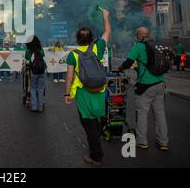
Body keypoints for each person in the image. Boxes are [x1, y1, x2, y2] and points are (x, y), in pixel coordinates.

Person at [64, 10, 111, 167]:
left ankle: (96, 156)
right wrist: (105, 16)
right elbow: (107, 31)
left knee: (88, 124)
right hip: (100, 90)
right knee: (98, 117)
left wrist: (67, 94)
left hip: (83, 92)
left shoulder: (73, 54)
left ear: (77, 39)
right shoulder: (98, 47)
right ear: (91, 38)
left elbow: (69, 77)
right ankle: (98, 133)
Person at [118, 27, 168, 151]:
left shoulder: (138, 46)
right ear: (148, 35)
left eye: (137, 35)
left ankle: (142, 141)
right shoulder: (157, 45)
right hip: (160, 83)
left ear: (139, 36)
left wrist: (119, 68)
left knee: (142, 113)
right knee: (160, 114)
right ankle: (163, 142)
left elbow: (128, 63)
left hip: (145, 85)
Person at [25, 36, 46, 112]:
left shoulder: (28, 50)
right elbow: (43, 56)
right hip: (42, 71)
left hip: (33, 71)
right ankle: (40, 107)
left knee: (33, 88)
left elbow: (27, 60)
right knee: (40, 89)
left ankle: (34, 107)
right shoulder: (40, 49)